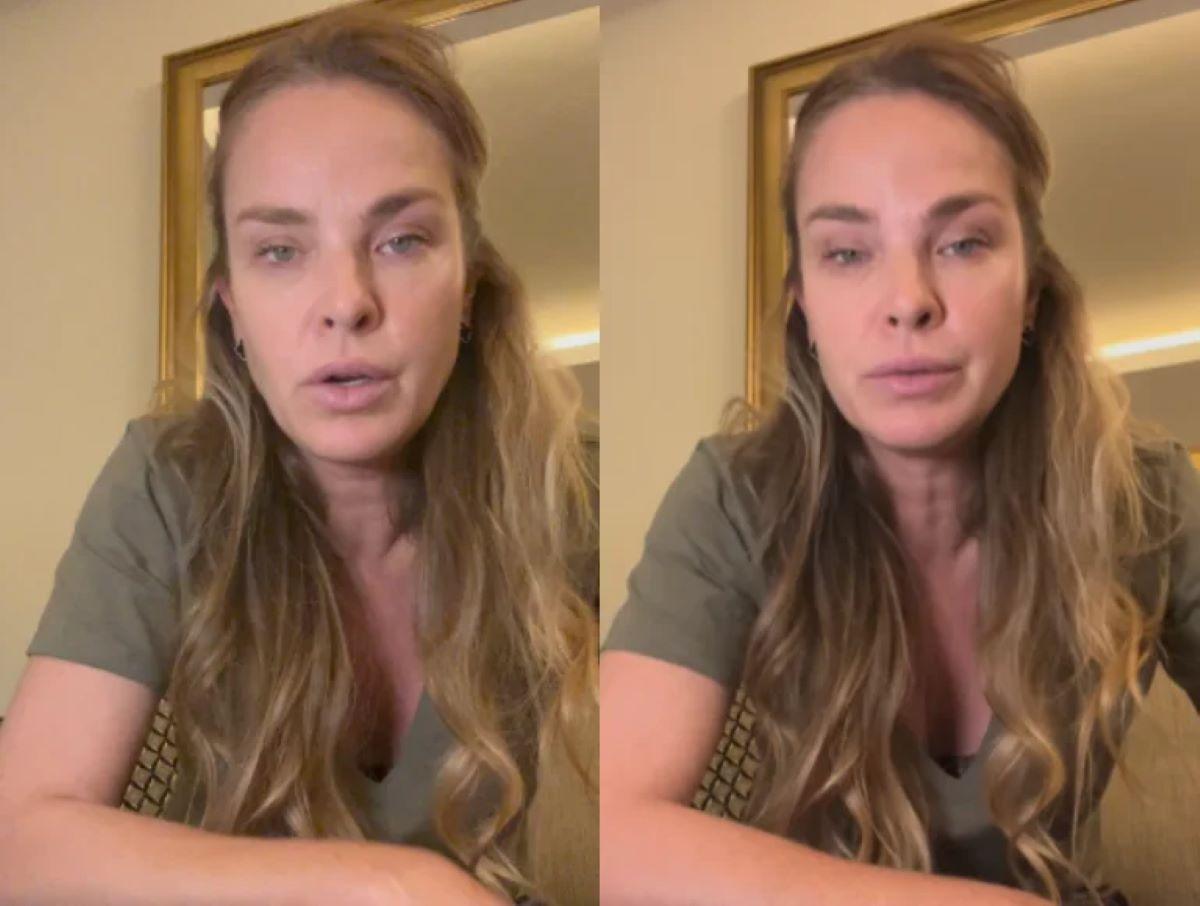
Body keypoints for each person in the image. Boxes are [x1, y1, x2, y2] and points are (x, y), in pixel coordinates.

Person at [0, 10, 597, 905]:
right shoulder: (170, 484)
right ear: (233, 308)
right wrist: (392, 888)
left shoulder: (576, 490)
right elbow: (20, 841)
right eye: (280, 250)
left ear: (469, 287)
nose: (346, 302)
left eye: (401, 240)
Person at [601, 29, 1199, 906]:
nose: (909, 301)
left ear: (1032, 291)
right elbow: (616, 833)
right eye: (848, 253)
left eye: (963, 243)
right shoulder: (735, 498)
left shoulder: (1147, 495)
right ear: (804, 306)